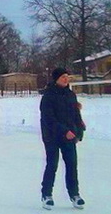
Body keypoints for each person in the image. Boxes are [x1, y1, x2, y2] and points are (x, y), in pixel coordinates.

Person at [40, 68, 86, 210]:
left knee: (72, 165)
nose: (66, 79)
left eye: (67, 77)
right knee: (52, 164)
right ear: (56, 79)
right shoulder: (48, 95)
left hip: (69, 136)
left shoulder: (70, 94)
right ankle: (46, 194)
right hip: (52, 136)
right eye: (63, 77)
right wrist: (64, 131)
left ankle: (74, 195)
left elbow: (75, 115)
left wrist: (79, 130)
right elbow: (48, 118)